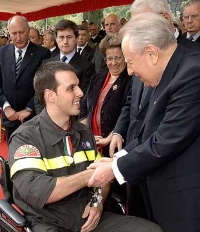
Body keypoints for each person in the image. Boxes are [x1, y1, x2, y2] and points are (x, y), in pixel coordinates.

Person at [8, 61, 163, 232]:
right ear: (50, 96)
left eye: (78, 86)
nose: (81, 93)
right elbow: (41, 192)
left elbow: (104, 180)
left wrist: (98, 202)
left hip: (88, 217)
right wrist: (91, 175)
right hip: (48, 223)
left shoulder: (84, 132)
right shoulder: (25, 138)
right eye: (71, 88)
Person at [87, 12, 200, 232]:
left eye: (129, 61)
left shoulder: (192, 74)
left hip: (184, 202)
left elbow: (166, 140)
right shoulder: (167, 72)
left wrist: (115, 169)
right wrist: (117, 158)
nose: (129, 70)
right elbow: (147, 131)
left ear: (151, 53)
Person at [80, 34, 131, 158]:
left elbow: (129, 112)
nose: (113, 63)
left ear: (125, 57)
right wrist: (88, 134)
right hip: (92, 144)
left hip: (116, 145)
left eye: (118, 58)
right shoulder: (96, 79)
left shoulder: (131, 80)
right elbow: (84, 108)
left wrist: (109, 138)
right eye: (109, 58)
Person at [0, 16, 50, 141]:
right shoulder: (1, 52)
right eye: (14, 33)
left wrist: (29, 109)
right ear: (9, 33)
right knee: (13, 155)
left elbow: (44, 86)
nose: (18, 37)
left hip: (34, 118)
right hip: (10, 117)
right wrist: (6, 107)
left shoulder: (43, 53)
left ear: (28, 31)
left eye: (21, 32)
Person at [34, 19, 95, 114]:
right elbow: (39, 95)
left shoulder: (87, 66)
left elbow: (84, 99)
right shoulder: (46, 63)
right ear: (56, 39)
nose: (65, 42)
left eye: (69, 37)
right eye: (61, 37)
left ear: (76, 38)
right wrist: (46, 117)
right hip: (47, 119)